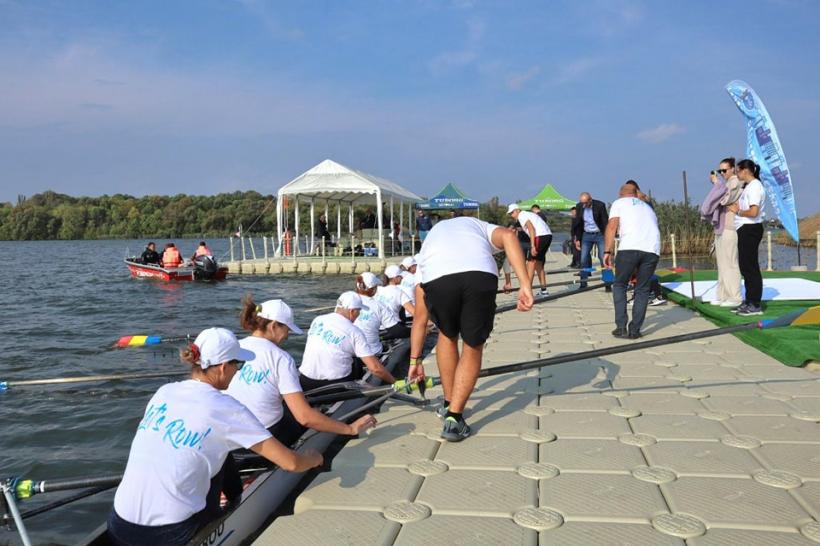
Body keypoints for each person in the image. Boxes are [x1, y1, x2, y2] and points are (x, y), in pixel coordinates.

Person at [107, 328, 322, 546]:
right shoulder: (227, 408)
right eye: (237, 364)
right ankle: (230, 508)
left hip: (118, 525)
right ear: (222, 368)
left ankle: (229, 498)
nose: (238, 371)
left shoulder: (164, 392)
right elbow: (291, 463)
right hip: (168, 535)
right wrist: (314, 458)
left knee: (215, 448)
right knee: (220, 450)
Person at [408, 216, 534, 442]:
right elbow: (508, 236)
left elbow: (419, 319)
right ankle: (455, 419)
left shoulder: (428, 248)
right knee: (472, 344)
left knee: (447, 334)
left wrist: (414, 361)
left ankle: (448, 405)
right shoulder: (480, 226)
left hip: (437, 278)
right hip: (479, 275)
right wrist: (525, 285)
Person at [225, 297, 375, 447]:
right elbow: (305, 418)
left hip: (228, 435)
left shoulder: (232, 348)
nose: (287, 335)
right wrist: (350, 428)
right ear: (274, 325)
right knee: (305, 415)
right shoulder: (280, 358)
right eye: (287, 329)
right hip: (264, 438)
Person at [298, 291, 397, 391]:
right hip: (335, 385)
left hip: (305, 380)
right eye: (359, 311)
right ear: (352, 311)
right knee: (357, 360)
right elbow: (375, 369)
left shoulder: (317, 320)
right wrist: (395, 382)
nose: (359, 314)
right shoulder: (355, 332)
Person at [603, 184, 661, 339]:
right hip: (652, 249)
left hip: (629, 248)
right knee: (642, 289)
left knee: (620, 285)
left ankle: (621, 327)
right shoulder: (648, 207)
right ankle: (635, 330)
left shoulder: (619, 203)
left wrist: (607, 251)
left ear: (621, 194)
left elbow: (611, 227)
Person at [701, 158, 744, 307]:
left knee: (730, 263)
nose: (722, 173)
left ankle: (735, 296)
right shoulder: (726, 184)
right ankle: (723, 295)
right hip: (721, 227)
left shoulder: (736, 182)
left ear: (733, 169)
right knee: (722, 264)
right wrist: (719, 186)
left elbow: (724, 200)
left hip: (730, 227)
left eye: (724, 170)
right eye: (720, 171)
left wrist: (717, 184)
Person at [727, 159, 767, 316]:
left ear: (746, 171)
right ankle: (749, 300)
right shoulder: (748, 187)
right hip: (744, 228)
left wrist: (737, 212)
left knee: (750, 266)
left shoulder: (755, 187)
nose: (736, 174)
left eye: (737, 171)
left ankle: (754, 303)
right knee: (745, 265)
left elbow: (753, 212)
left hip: (751, 229)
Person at [507, 203, 552, 295]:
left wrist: (532, 246)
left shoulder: (522, 215)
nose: (511, 215)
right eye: (510, 214)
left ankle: (527, 290)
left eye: (512, 213)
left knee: (531, 262)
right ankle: (544, 290)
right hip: (548, 235)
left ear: (517, 210)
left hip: (540, 236)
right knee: (538, 263)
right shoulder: (527, 214)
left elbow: (531, 229)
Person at [353, 272, 406, 349]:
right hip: (372, 350)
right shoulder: (379, 305)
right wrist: (413, 331)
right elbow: (396, 332)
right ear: (373, 289)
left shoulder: (346, 300)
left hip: (351, 349)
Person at [572, 192, 609, 285]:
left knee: (603, 258)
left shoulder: (600, 205)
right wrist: (577, 239)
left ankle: (608, 282)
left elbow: (605, 222)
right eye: (582, 203)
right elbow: (577, 224)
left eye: (585, 203)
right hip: (586, 235)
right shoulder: (579, 206)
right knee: (583, 259)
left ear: (590, 200)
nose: (584, 205)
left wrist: (608, 238)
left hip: (599, 234)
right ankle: (583, 283)